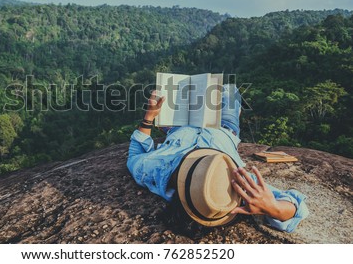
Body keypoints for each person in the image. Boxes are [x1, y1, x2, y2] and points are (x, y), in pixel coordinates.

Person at [127, 84, 309, 233]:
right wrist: (273, 208)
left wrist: (149, 117)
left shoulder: (157, 169)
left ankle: (167, 126)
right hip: (224, 126)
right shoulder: (230, 183)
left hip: (180, 126)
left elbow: (134, 155)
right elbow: (297, 208)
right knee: (231, 89)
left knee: (175, 90)